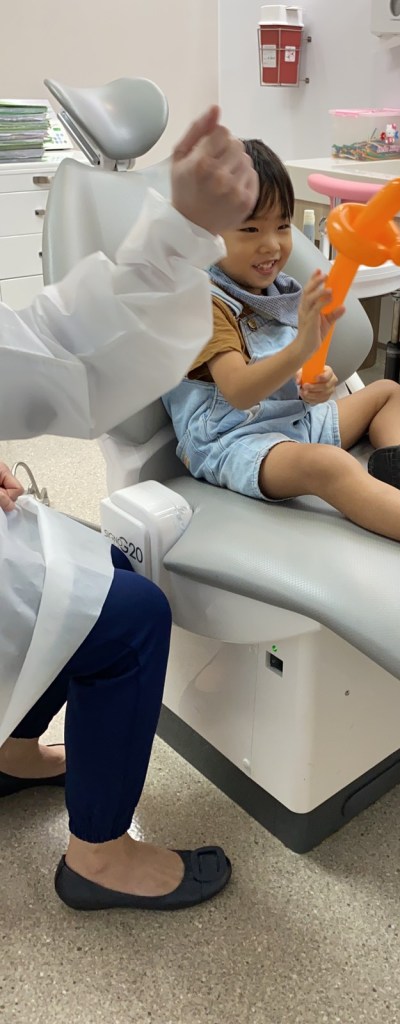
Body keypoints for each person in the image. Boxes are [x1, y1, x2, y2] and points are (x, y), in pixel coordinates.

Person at [0, 106, 259, 912]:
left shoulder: (284, 288)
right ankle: (99, 858)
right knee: (130, 615)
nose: (272, 246)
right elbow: (64, 354)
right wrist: (184, 232)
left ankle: (11, 750)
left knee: (96, 567)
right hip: (237, 445)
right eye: (259, 228)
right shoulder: (222, 306)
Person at [163, 139, 400, 581]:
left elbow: (289, 376)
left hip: (291, 421)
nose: (272, 245)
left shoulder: (273, 291)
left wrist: (311, 384)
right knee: (329, 465)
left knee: (388, 392)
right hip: (232, 441)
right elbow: (239, 391)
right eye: (250, 230)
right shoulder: (205, 301)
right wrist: (301, 348)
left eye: (282, 226)